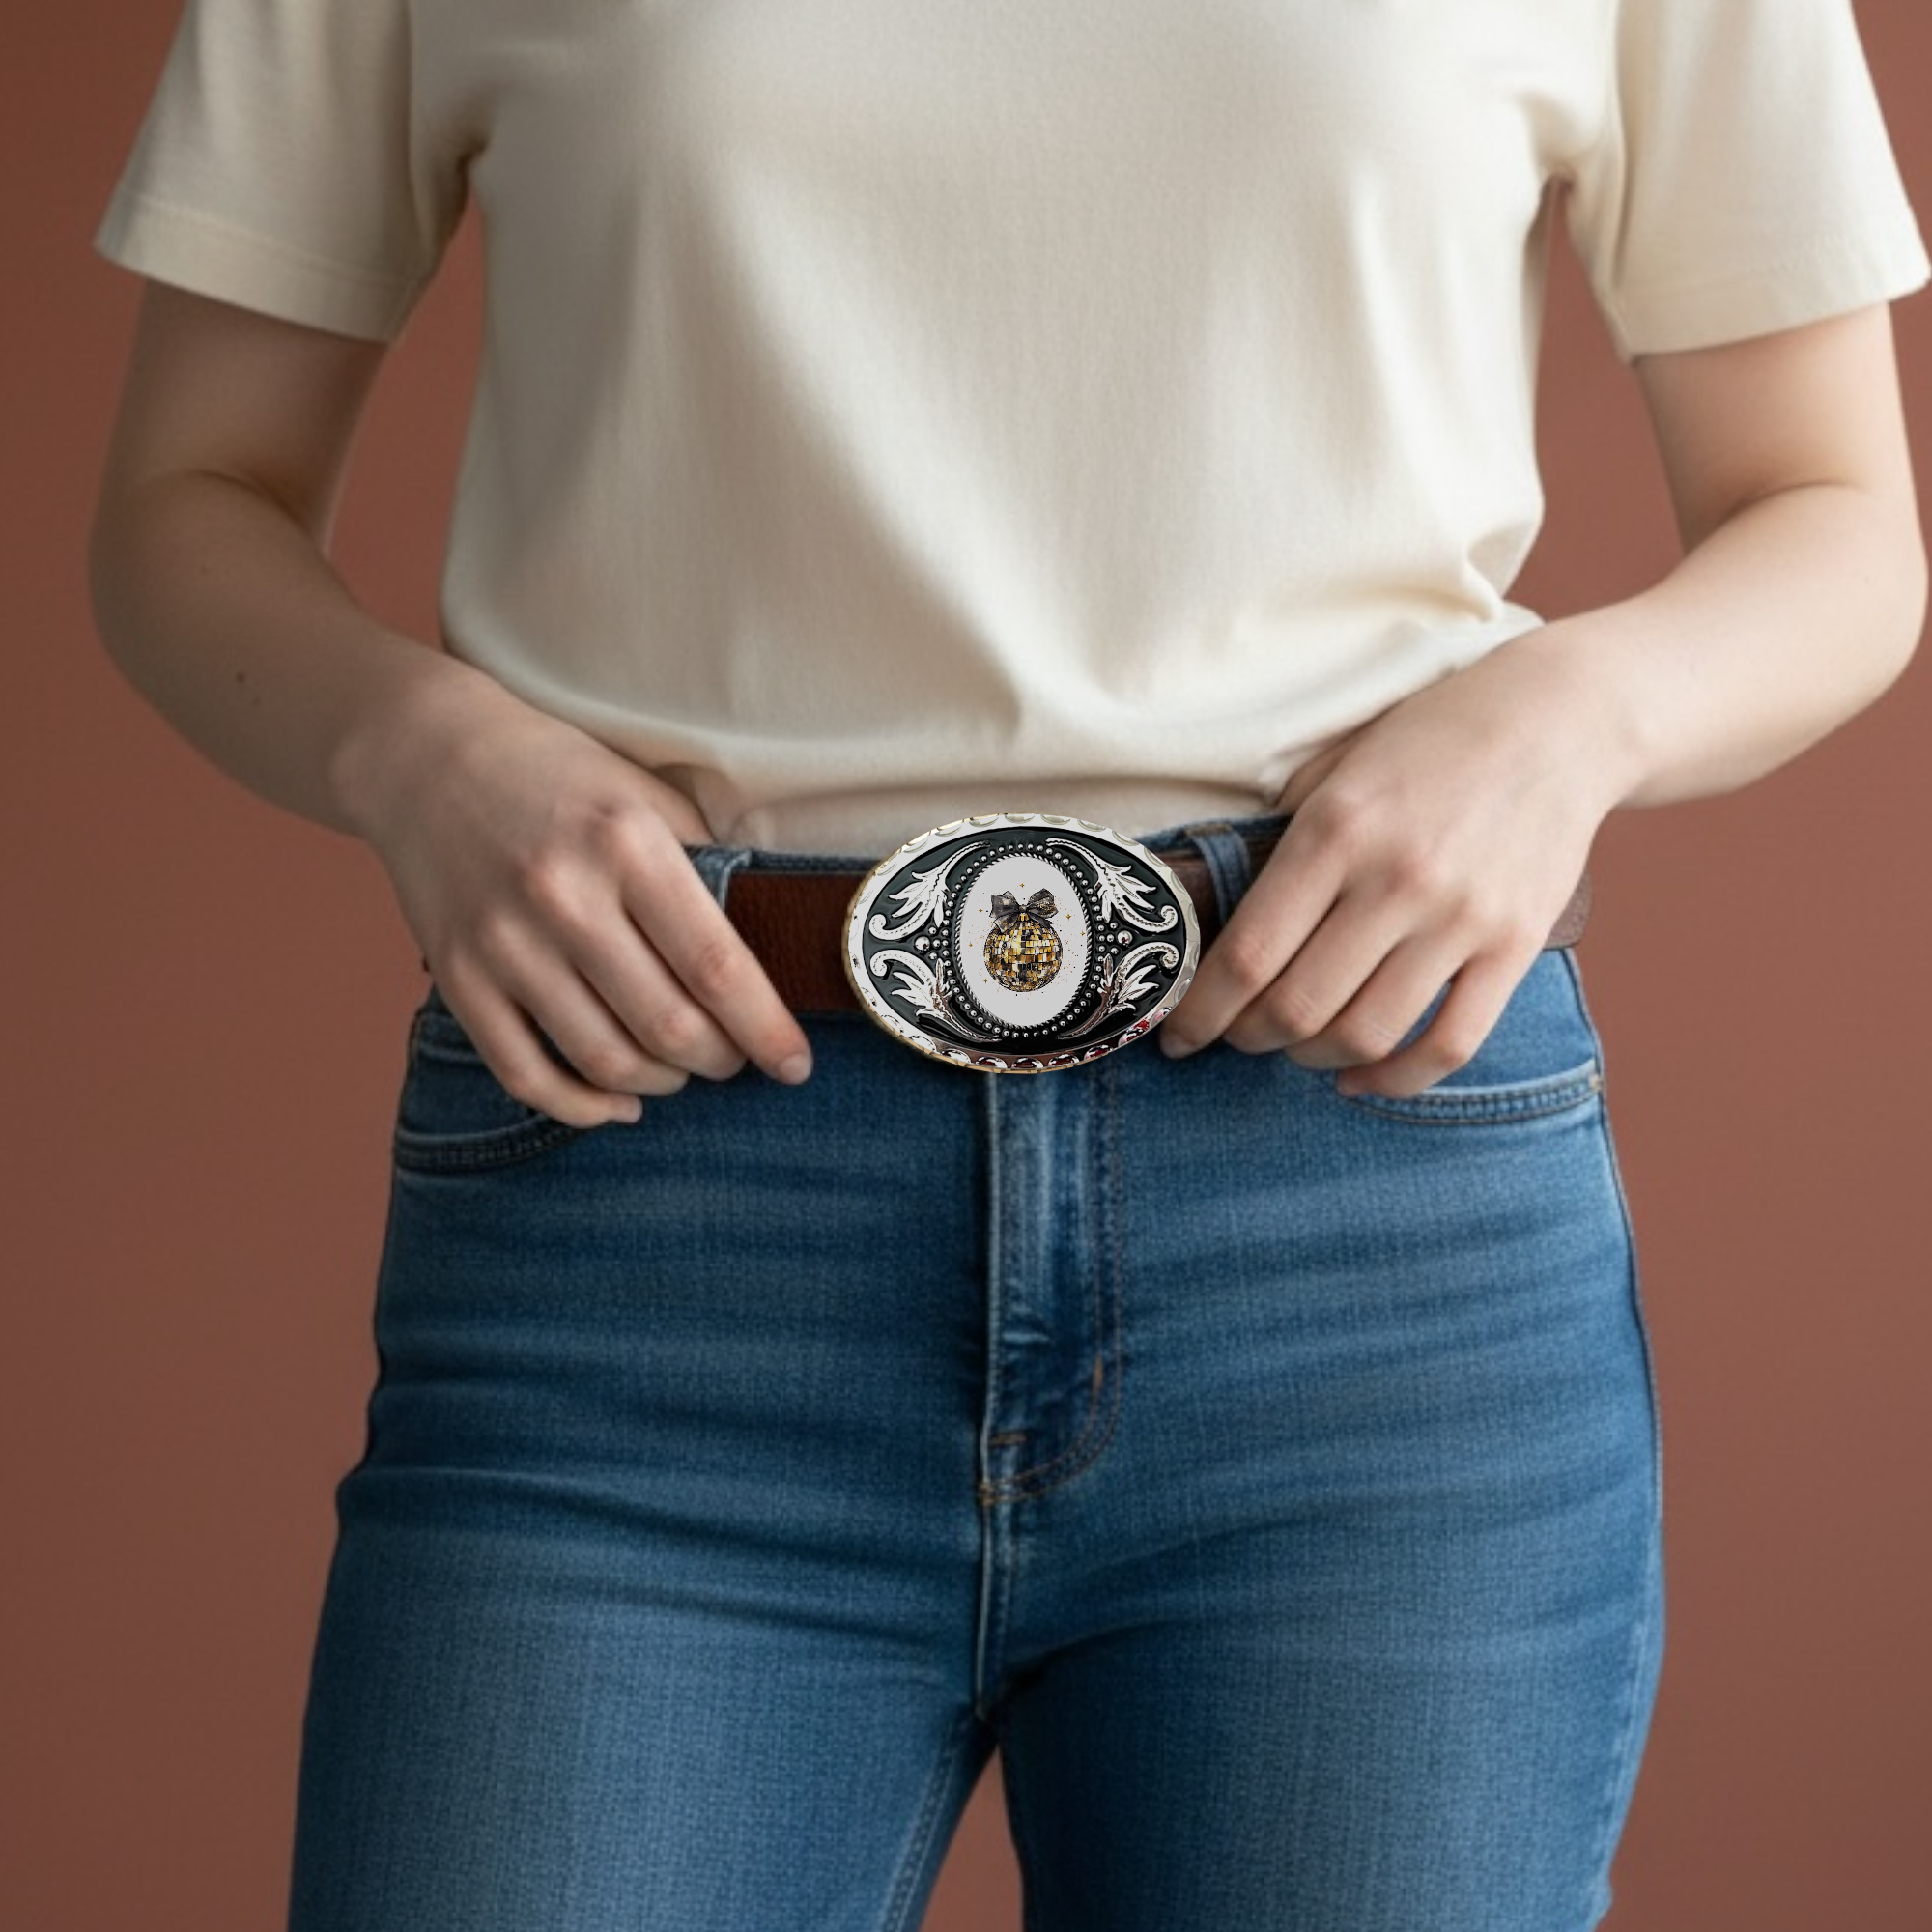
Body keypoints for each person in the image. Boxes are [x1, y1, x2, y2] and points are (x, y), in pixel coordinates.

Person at [88, 3, 1925, 1928]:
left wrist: (1575, 715)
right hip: (651, 1220)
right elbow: (184, 495)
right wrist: (418, 749)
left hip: (1356, 1244)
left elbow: (1834, 512)